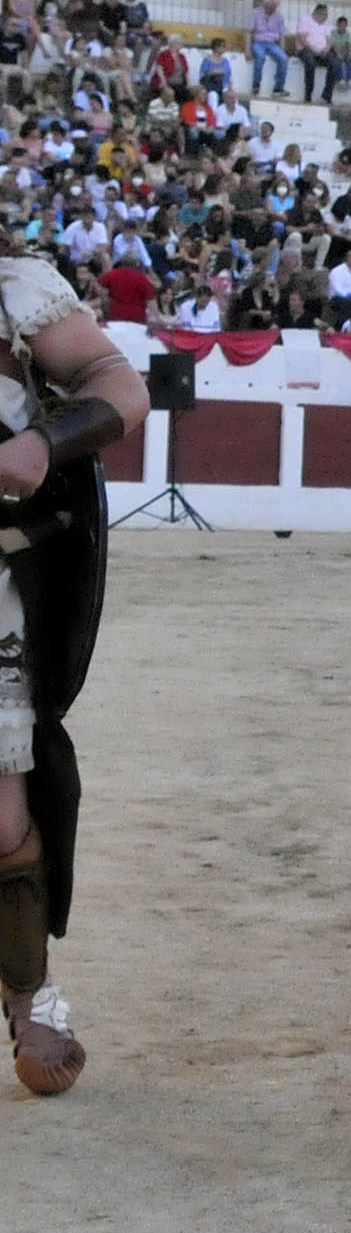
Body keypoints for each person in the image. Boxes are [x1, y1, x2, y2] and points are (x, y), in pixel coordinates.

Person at [0, 251, 150, 1094]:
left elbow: (118, 386)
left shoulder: (13, 286)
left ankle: (29, 995)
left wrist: (39, 440)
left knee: (2, 812)